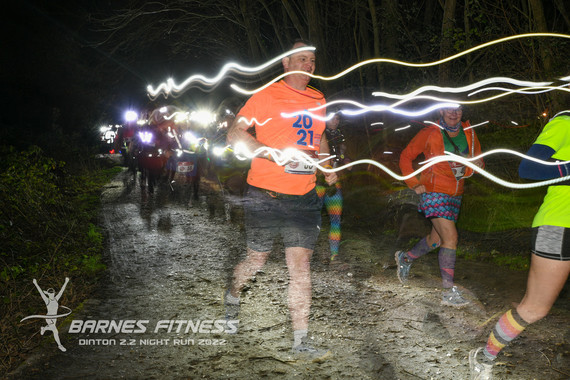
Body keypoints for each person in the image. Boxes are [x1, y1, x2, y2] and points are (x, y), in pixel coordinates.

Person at [225, 39, 337, 358]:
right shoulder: (265, 96)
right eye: (301, 59)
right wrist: (273, 156)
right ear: (285, 64)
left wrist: (327, 166)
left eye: (312, 59)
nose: (308, 64)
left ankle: (301, 341)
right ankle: (233, 298)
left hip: (303, 199)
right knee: (256, 260)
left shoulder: (319, 97)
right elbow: (235, 134)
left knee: (300, 268)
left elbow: (320, 137)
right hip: (264, 194)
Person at [469, 110, 570, 380]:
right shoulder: (564, 123)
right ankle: (486, 357)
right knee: (535, 307)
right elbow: (528, 168)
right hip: (559, 226)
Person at [396, 106, 484, 306]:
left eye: (459, 110)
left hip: (456, 193)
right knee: (451, 238)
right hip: (433, 191)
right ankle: (447, 292)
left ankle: (406, 258)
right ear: (441, 111)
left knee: (437, 239)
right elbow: (405, 157)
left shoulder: (469, 132)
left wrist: (478, 165)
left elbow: (478, 160)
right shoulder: (430, 132)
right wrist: (413, 183)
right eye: (449, 109)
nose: (454, 113)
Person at [315, 111, 351, 263]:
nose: (334, 121)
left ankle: (334, 254)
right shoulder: (318, 134)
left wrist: (346, 161)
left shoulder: (341, 136)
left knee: (335, 219)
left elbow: (341, 157)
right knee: (312, 219)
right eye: (331, 118)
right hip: (317, 183)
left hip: (334, 184)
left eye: (337, 118)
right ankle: (307, 253)